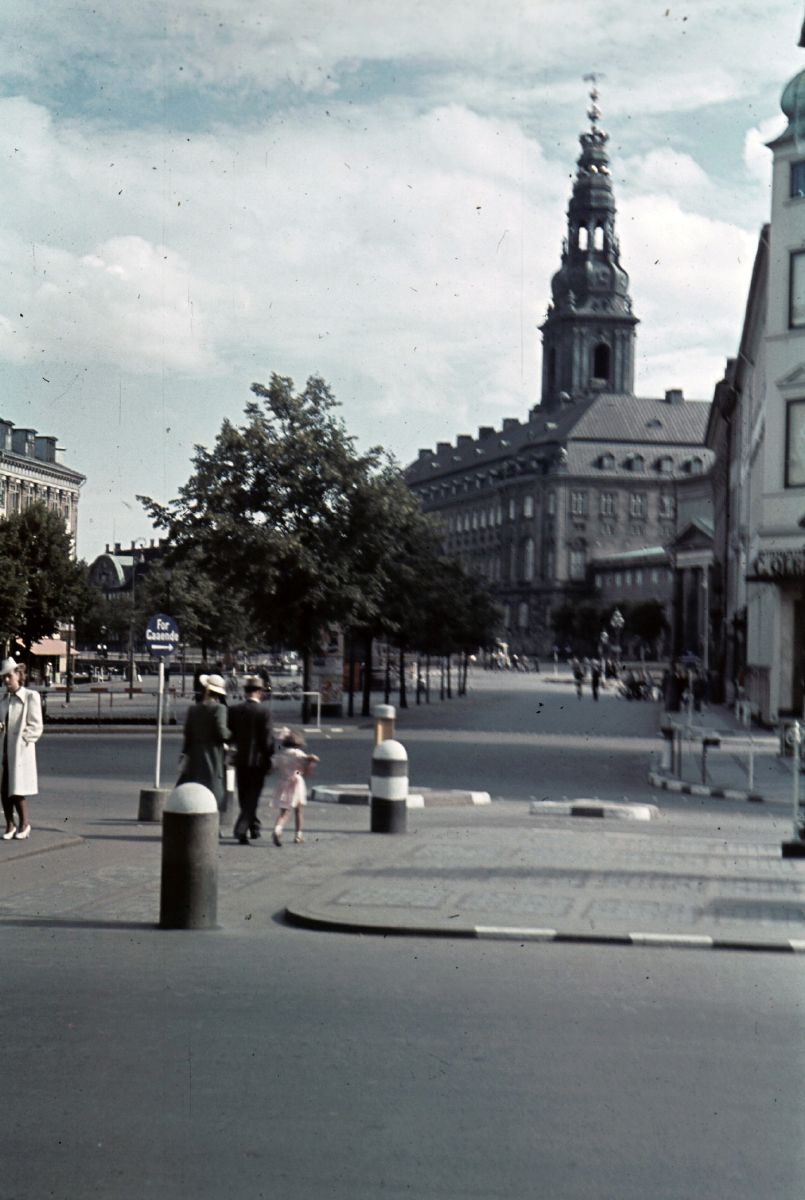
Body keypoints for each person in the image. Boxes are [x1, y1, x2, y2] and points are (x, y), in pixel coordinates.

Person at [0, 658, 43, 841]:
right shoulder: (3, 699)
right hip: (3, 749)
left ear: (18, 674)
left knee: (17, 790)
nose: (6, 681)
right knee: (3, 789)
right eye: (3, 678)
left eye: (9, 676)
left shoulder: (30, 697)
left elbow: (36, 725)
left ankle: (24, 823)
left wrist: (24, 739)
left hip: (19, 751)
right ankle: (10, 824)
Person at [177, 672, 230, 816]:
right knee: (213, 788)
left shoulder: (193, 709)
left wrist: (185, 753)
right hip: (212, 753)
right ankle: (211, 823)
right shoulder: (219, 709)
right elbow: (222, 732)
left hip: (194, 753)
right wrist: (231, 736)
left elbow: (187, 733)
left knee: (194, 786)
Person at [228, 675, 273, 845]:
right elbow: (267, 740)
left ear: (245, 691)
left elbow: (230, 735)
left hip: (240, 759)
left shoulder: (235, 710)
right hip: (258, 761)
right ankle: (241, 828)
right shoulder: (264, 712)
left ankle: (254, 826)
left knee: (244, 794)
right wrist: (269, 758)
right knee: (253, 796)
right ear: (260, 692)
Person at [272, 728, 319, 846]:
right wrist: (312, 760)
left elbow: (273, 766)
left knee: (284, 812)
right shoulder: (298, 753)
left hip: (283, 782)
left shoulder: (280, 755)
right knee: (299, 810)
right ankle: (298, 834)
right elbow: (306, 762)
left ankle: (278, 828)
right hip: (296, 783)